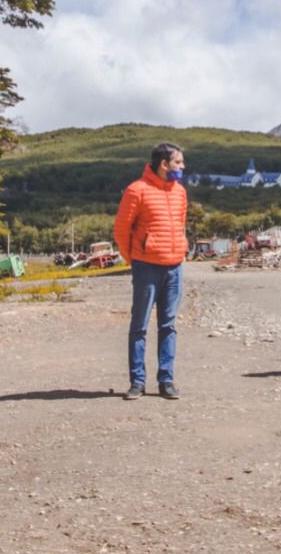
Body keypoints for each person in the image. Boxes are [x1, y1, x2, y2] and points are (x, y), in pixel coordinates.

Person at [113, 142, 189, 401]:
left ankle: (166, 381)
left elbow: (180, 226)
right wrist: (133, 258)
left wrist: (181, 250)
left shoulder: (180, 192)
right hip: (146, 267)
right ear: (164, 164)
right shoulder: (137, 190)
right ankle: (137, 381)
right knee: (139, 326)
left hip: (174, 267)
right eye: (178, 162)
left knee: (168, 325)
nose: (182, 167)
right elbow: (121, 230)